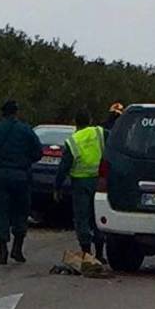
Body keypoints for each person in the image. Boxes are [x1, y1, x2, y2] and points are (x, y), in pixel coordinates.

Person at [0, 100, 42, 265]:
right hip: (21, 176)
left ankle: (2, 250)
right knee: (20, 212)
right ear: (16, 112)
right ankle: (17, 248)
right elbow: (38, 153)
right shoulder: (26, 131)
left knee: (0, 213)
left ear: (2, 113)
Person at [54, 109, 106, 262]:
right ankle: (100, 254)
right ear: (90, 120)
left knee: (82, 218)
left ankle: (86, 253)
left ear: (75, 123)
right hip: (99, 181)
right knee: (97, 216)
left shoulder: (73, 140)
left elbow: (64, 166)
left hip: (80, 183)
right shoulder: (100, 132)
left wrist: (57, 187)